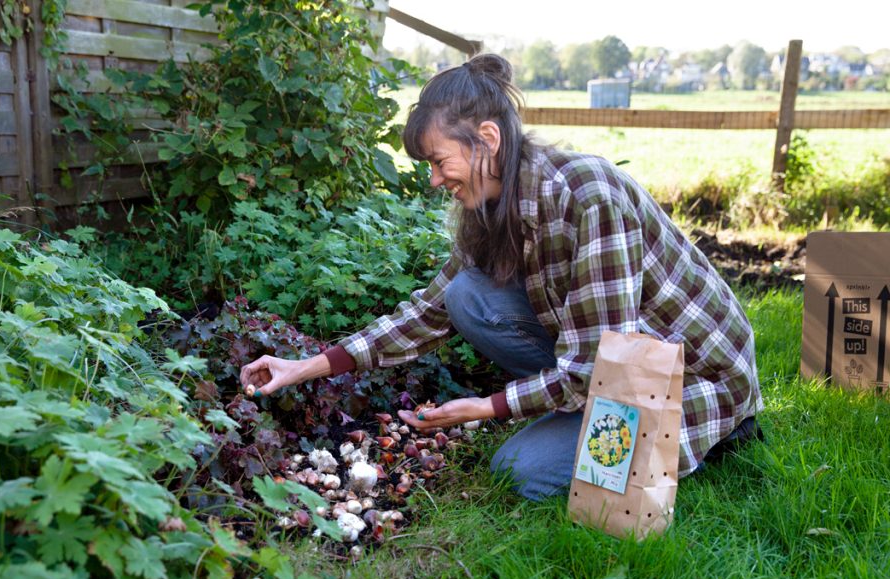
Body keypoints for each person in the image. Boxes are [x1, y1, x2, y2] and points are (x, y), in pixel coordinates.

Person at [240, 53, 763, 500]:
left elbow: (598, 365)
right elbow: (430, 311)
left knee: (520, 472)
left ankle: (714, 437)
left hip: (689, 375)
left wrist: (487, 408)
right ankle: (590, 430)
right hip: (608, 366)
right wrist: (306, 366)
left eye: (440, 161)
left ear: (486, 139)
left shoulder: (587, 196)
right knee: (467, 295)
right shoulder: (491, 206)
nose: (434, 179)